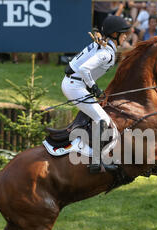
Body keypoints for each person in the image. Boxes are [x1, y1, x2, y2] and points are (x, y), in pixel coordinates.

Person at [62, 15, 130, 174]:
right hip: (75, 86)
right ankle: (96, 160)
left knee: (102, 117)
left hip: (75, 83)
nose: (126, 36)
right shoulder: (106, 52)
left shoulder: (103, 45)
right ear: (114, 34)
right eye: (123, 33)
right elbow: (85, 69)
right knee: (103, 119)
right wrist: (94, 88)